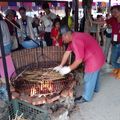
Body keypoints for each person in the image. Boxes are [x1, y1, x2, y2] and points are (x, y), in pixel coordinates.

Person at [53, 26, 105, 103]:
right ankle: (96, 89)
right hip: (98, 55)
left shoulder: (76, 41)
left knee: (88, 78)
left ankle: (86, 97)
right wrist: (61, 65)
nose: (62, 40)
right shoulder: (74, 37)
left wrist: (68, 69)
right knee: (95, 74)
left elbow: (79, 60)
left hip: (93, 59)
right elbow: (67, 53)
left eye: (62, 38)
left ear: (66, 35)